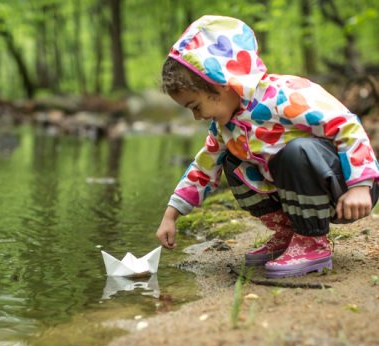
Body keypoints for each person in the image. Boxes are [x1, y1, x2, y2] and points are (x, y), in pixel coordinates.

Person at [156, 15, 379, 278]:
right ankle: (289, 232)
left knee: (296, 153)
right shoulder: (226, 128)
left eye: (196, 106)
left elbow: (346, 126)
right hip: (303, 196)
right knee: (230, 161)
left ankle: (312, 242)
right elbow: (202, 170)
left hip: (344, 188)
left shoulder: (284, 96)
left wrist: (360, 186)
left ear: (219, 83)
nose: (197, 116)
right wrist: (171, 215)